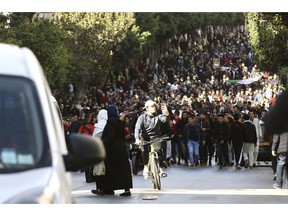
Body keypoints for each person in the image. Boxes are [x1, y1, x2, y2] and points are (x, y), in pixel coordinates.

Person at [91, 105, 132, 196]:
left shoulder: (110, 122)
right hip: (121, 148)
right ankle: (126, 190)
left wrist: (102, 143)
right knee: (123, 169)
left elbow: (110, 136)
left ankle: (108, 188)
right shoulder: (119, 122)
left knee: (110, 169)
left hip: (113, 149)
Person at [134, 99, 170, 179]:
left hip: (156, 138)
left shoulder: (158, 116)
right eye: (152, 106)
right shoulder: (142, 117)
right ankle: (146, 167)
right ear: (147, 108)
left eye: (154, 106)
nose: (154, 107)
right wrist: (137, 139)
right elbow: (137, 128)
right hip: (145, 138)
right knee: (145, 152)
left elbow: (165, 119)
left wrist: (166, 112)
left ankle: (160, 170)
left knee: (158, 150)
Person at [91, 109, 108, 193]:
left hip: (98, 151)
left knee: (98, 170)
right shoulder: (108, 125)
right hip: (108, 151)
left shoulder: (97, 127)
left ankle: (99, 188)